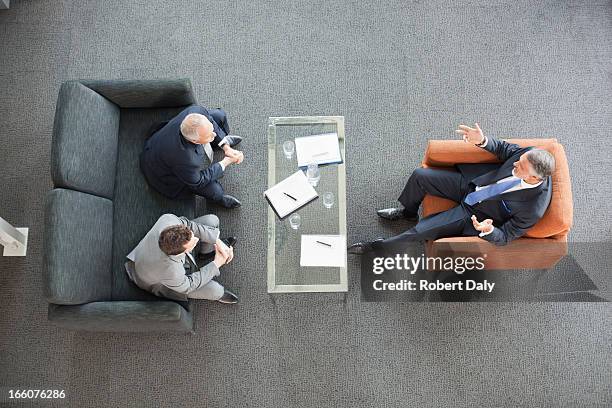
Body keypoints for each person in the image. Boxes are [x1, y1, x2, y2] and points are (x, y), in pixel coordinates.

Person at [348, 123, 556, 254]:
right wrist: (482, 141)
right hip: (472, 184)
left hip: (474, 213)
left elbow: (506, 237)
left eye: (520, 167)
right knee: (420, 175)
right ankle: (408, 213)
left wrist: (490, 230)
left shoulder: (533, 208)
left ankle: (375, 248)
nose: (514, 165)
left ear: (532, 177)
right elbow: (503, 149)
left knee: (421, 230)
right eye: (518, 160)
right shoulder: (530, 154)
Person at [140, 106, 245, 208]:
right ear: (195, 141)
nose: (214, 134)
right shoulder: (187, 160)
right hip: (162, 173)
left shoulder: (196, 111)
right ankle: (219, 199)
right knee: (215, 191)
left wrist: (225, 146)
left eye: (211, 130)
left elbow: (210, 121)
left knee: (219, 115)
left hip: (164, 140)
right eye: (209, 136)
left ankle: (217, 144)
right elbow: (199, 181)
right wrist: (225, 162)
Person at [125, 213, 239, 304]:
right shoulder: (171, 272)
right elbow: (188, 285)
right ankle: (220, 294)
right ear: (181, 252)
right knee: (215, 290)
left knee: (212, 220)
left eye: (192, 236)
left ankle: (205, 253)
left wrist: (217, 241)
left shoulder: (168, 219)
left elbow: (190, 225)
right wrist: (217, 263)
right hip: (159, 281)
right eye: (192, 244)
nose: (196, 239)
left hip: (153, 256)